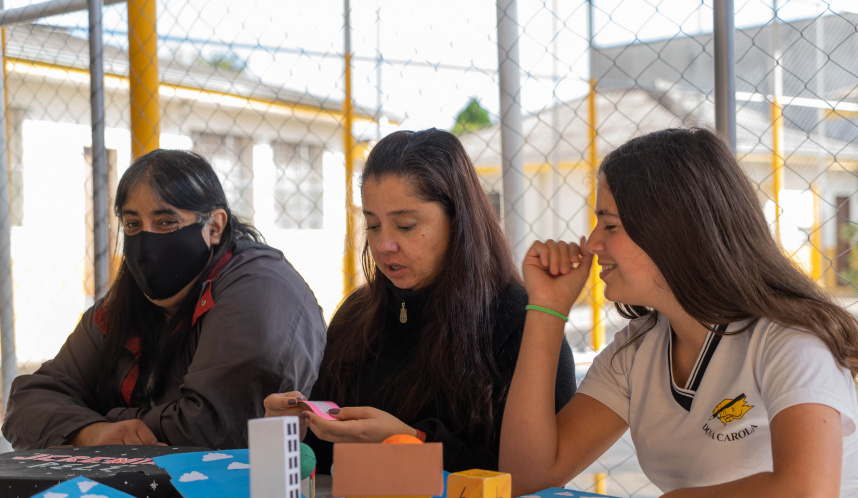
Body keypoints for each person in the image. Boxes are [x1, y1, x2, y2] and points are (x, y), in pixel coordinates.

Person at [500, 127, 858, 498]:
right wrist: (547, 310)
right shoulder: (636, 350)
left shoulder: (788, 341)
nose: (592, 243)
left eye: (609, 225)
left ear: (672, 231)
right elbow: (526, 481)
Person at [265, 128, 577, 472]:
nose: (384, 245)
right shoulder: (357, 315)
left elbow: (533, 479)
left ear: (458, 221)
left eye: (406, 225)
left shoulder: (519, 321)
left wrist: (413, 442)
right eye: (372, 226)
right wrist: (294, 433)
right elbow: (326, 466)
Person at [2, 149, 326, 450]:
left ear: (214, 226)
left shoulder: (260, 289)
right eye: (132, 224)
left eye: (166, 222)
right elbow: (28, 402)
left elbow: (211, 429)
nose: (146, 241)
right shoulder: (128, 301)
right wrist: (92, 433)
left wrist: (108, 419)